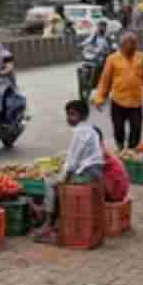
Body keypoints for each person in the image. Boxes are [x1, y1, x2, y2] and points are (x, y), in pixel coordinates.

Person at [33, 100, 106, 242]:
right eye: (68, 114)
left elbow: (73, 161)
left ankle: (49, 224)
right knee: (57, 182)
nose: (69, 118)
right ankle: (54, 223)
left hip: (89, 173)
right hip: (92, 171)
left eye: (72, 115)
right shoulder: (89, 129)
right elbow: (75, 156)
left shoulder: (81, 132)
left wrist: (60, 178)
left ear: (83, 116)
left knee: (50, 184)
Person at [92, 31, 143, 151]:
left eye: (135, 43)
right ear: (122, 45)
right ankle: (120, 147)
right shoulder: (112, 59)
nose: (133, 46)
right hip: (118, 102)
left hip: (136, 102)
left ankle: (131, 150)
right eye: (130, 43)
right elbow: (105, 80)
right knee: (118, 130)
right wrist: (99, 98)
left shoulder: (140, 57)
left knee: (136, 130)